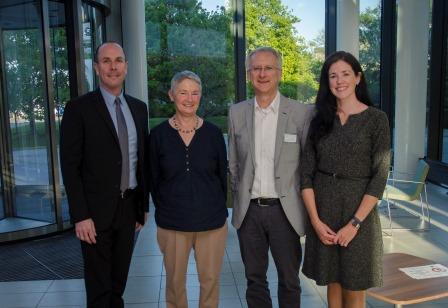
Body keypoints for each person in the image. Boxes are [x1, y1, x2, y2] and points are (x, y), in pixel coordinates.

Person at [60, 42, 149, 308]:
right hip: (94, 214)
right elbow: (70, 166)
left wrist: (141, 207)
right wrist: (80, 216)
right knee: (99, 289)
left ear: (126, 67)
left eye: (119, 60)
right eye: (106, 61)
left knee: (118, 284)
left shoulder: (139, 108)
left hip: (128, 209)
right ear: (97, 68)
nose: (113, 66)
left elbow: (140, 160)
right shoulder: (78, 109)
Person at [300, 51, 390, 308]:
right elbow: (305, 174)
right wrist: (316, 222)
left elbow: (379, 175)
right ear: (327, 82)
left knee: (354, 285)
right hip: (324, 210)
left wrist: (355, 223)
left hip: (358, 214)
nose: (339, 81)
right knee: (333, 283)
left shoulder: (376, 119)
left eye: (345, 74)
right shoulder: (319, 121)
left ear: (358, 78)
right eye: (332, 76)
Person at [228, 46, 313, 308]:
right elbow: (233, 163)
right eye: (256, 68)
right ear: (248, 74)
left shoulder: (301, 113)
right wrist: (241, 195)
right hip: (250, 211)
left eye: (268, 68)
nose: (262, 74)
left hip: (284, 212)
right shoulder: (237, 112)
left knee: (289, 280)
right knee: (254, 280)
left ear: (279, 72)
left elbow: (308, 166)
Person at [149, 71, 228, 308]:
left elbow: (221, 176)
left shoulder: (213, 134)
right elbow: (153, 179)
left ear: (201, 96)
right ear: (171, 95)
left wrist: (214, 207)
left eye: (195, 93)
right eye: (183, 92)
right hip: (173, 224)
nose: (189, 98)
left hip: (211, 224)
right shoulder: (158, 135)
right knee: (174, 284)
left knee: (211, 282)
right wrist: (167, 209)